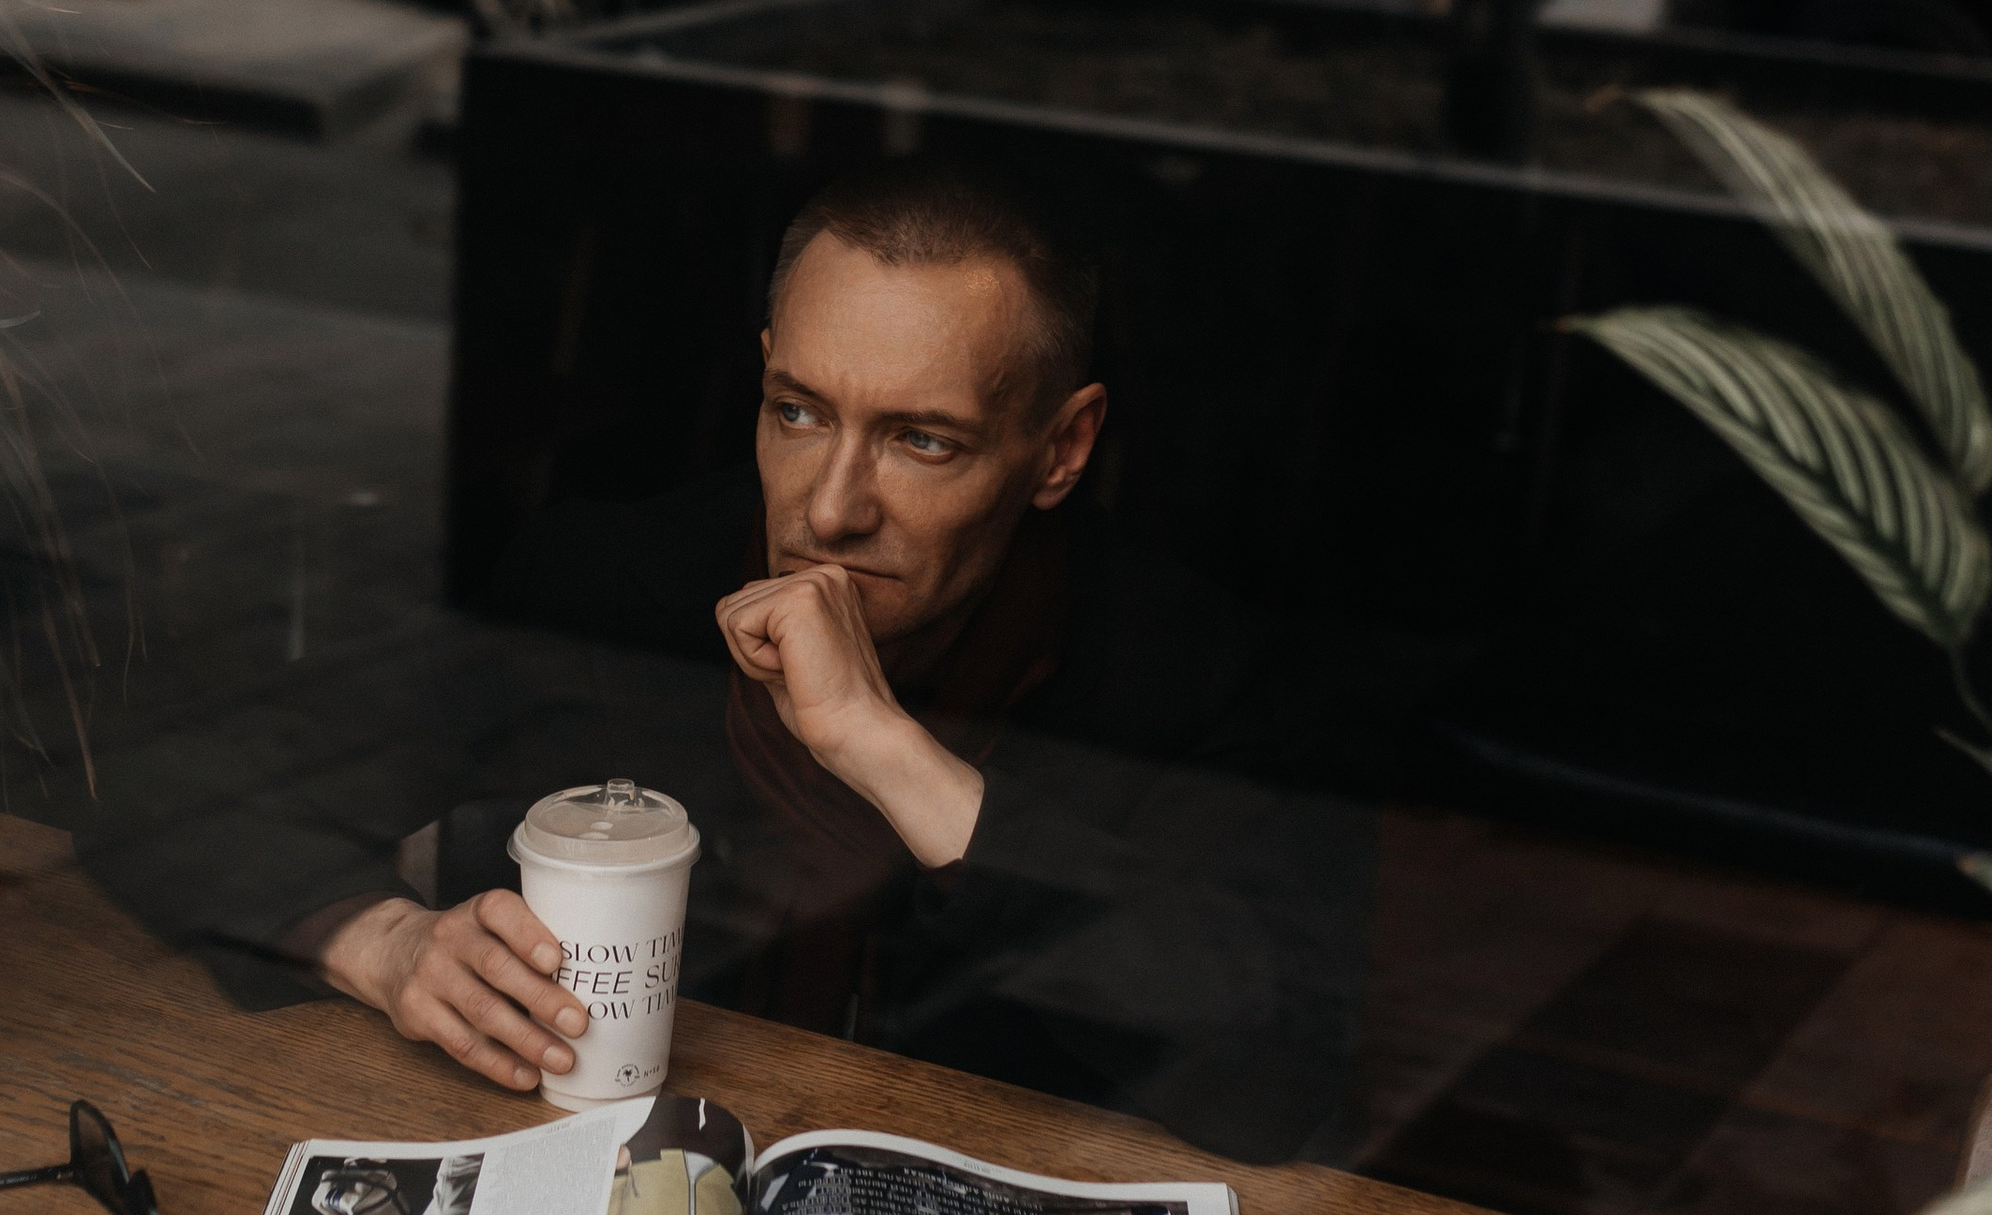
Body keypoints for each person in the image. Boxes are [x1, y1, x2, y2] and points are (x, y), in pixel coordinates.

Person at [91, 160, 1392, 1162]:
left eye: (922, 441)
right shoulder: (613, 578)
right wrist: (374, 942)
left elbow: (1278, 1071)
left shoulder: (1200, 669)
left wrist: (886, 752)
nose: (829, 508)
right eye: (800, 413)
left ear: (1060, 451)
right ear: (761, 379)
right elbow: (162, 778)